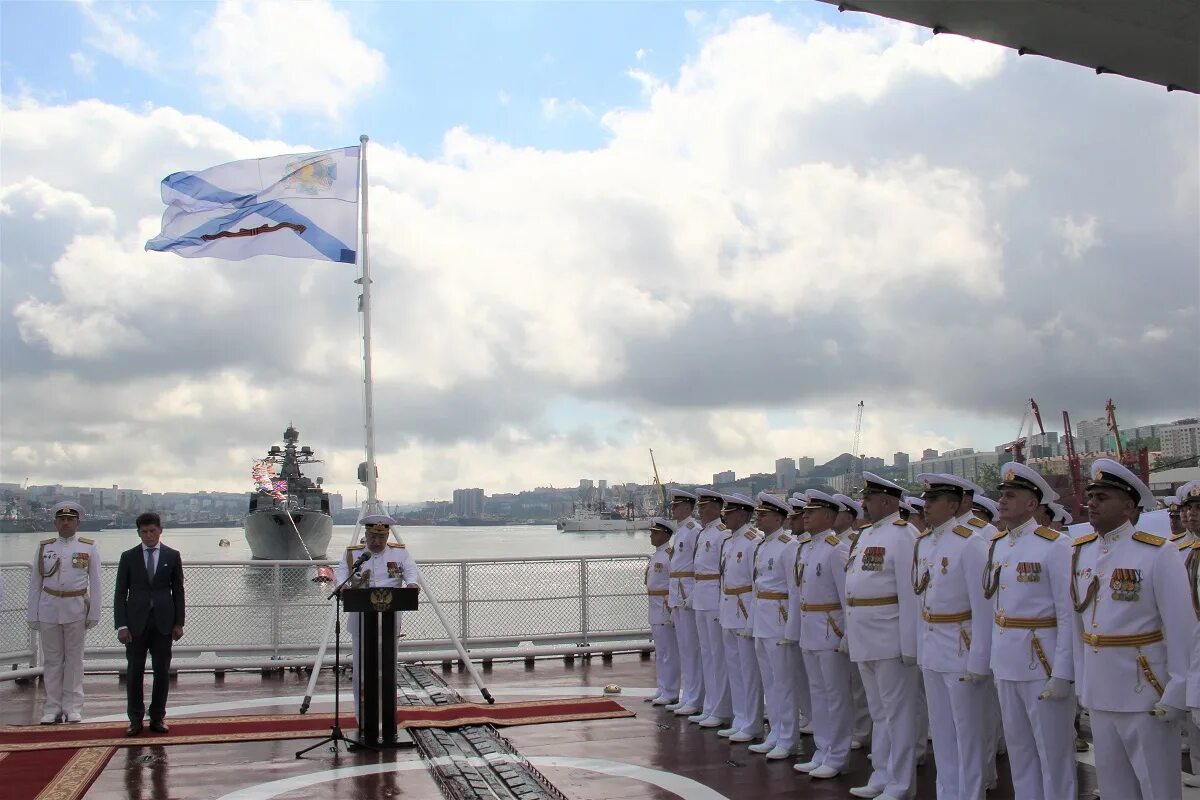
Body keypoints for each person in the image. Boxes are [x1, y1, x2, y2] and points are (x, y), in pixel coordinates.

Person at [1072, 458, 1194, 800]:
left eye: (1103, 496)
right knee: (1114, 788)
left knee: (1157, 786)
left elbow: (1182, 627)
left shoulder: (1158, 553)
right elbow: (1078, 626)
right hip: (1100, 690)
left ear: (1129, 505)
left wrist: (1177, 690)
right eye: (1091, 496)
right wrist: (1083, 683)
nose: (1092, 503)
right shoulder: (1080, 553)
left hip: (1146, 691)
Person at [987, 463, 1077, 800]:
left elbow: (1068, 613)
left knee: (1053, 754)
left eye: (1012, 495)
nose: (1002, 501)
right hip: (1008, 660)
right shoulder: (998, 545)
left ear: (1032, 504)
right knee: (1020, 751)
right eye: (1002, 495)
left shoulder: (1054, 545)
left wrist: (1064, 672)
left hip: (1043, 662)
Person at [911, 474, 993, 800]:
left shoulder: (971, 543)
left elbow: (983, 607)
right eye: (925, 500)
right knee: (943, 732)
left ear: (953, 504)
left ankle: (971, 794)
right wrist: (920, 648)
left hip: (962, 647)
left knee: (968, 733)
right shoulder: (924, 543)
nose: (925, 506)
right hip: (933, 647)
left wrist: (980, 659)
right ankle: (948, 792)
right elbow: (921, 601)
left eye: (933, 500)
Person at [844, 472, 920, 800]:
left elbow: (909, 593)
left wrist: (908, 644)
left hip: (890, 637)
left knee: (897, 713)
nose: (864, 503)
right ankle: (882, 775)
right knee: (879, 712)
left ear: (887, 501)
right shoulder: (865, 535)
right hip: (865, 634)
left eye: (869, 498)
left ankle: (900, 783)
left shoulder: (904, 535)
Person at [791, 489, 853, 780]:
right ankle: (823, 750)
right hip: (810, 628)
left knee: (835, 695)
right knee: (818, 695)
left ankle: (837, 755)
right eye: (805, 511)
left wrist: (847, 634)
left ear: (828, 516)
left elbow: (846, 596)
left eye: (811, 512)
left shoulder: (835, 548)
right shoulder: (808, 548)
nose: (805, 515)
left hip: (830, 629)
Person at [333, 514, 419, 724]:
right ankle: (362, 718)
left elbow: (410, 570)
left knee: (388, 666)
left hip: (390, 617)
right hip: (361, 617)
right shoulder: (354, 554)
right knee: (361, 669)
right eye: (372, 536)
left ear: (387, 535)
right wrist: (342, 586)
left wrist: (411, 583)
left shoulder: (399, 553)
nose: (377, 541)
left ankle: (388, 716)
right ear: (366, 534)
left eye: (381, 537)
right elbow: (341, 572)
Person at [26, 501, 102, 724]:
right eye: (62, 519)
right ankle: (52, 707)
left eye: (70, 519)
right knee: (51, 660)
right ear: (55, 522)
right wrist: (32, 614)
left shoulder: (88, 547)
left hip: (76, 607)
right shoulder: (45, 547)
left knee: (75, 661)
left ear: (78, 522)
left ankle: (72, 706)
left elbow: (96, 583)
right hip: (49, 607)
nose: (66, 523)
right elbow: (35, 583)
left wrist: (94, 612)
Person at [114, 511, 186, 735]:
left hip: (164, 623)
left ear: (160, 530)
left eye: (152, 531)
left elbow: (178, 591)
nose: (148, 535)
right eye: (144, 532)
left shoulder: (172, 556)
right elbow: (120, 593)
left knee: (162, 671)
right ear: (138, 533)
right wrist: (122, 625)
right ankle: (135, 719)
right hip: (136, 624)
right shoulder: (128, 557)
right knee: (134, 671)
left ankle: (157, 717)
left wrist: (179, 623)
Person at [747, 491, 800, 760]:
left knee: (784, 683)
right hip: (762, 619)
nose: (759, 517)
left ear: (778, 518)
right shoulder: (764, 545)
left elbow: (794, 589)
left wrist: (792, 629)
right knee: (770, 682)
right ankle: (776, 732)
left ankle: (788, 738)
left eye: (764, 514)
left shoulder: (788, 546)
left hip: (779, 621)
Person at [715, 492, 764, 743]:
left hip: (744, 609)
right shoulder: (730, 541)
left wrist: (752, 615)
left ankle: (753, 722)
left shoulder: (752, 541)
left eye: (731, 512)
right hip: (729, 608)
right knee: (735, 669)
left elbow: (757, 583)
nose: (726, 515)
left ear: (743, 515)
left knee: (749, 671)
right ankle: (740, 718)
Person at [689, 489, 733, 727]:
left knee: (718, 656)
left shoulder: (721, 534)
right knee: (707, 654)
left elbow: (722, 570)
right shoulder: (705, 532)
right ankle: (711, 705)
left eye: (705, 507)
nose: (701, 510)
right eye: (700, 507)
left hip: (715, 596)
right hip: (701, 596)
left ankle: (722, 708)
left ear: (717, 508)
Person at [665, 489, 704, 716]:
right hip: (678, 593)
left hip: (687, 592)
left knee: (693, 650)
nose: (673, 509)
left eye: (677, 506)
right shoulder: (681, 531)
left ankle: (695, 697)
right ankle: (688, 694)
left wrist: (691, 595)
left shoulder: (693, 531)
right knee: (684, 649)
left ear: (688, 508)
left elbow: (697, 567)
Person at [645, 517, 679, 706]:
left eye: (655, 532)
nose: (651, 535)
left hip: (664, 606)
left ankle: (671, 690)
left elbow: (673, 583)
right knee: (661, 651)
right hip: (655, 606)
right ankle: (663, 687)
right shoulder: (657, 555)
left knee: (669, 652)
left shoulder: (668, 555)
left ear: (665, 534)